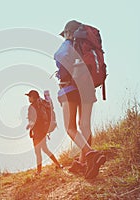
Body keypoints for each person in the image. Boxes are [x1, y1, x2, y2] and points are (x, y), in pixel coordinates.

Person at [54, 20, 106, 179]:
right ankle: (85, 163)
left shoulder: (67, 45)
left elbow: (59, 57)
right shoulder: (88, 46)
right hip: (88, 88)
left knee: (70, 127)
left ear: (69, 33)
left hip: (70, 89)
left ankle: (90, 154)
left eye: (65, 34)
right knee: (84, 126)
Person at [25, 90, 62, 175]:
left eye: (29, 96)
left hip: (37, 132)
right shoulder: (41, 105)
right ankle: (58, 165)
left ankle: (39, 171)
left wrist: (30, 126)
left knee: (38, 152)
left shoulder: (32, 107)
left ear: (33, 97)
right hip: (43, 131)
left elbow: (34, 119)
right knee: (45, 149)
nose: (28, 98)